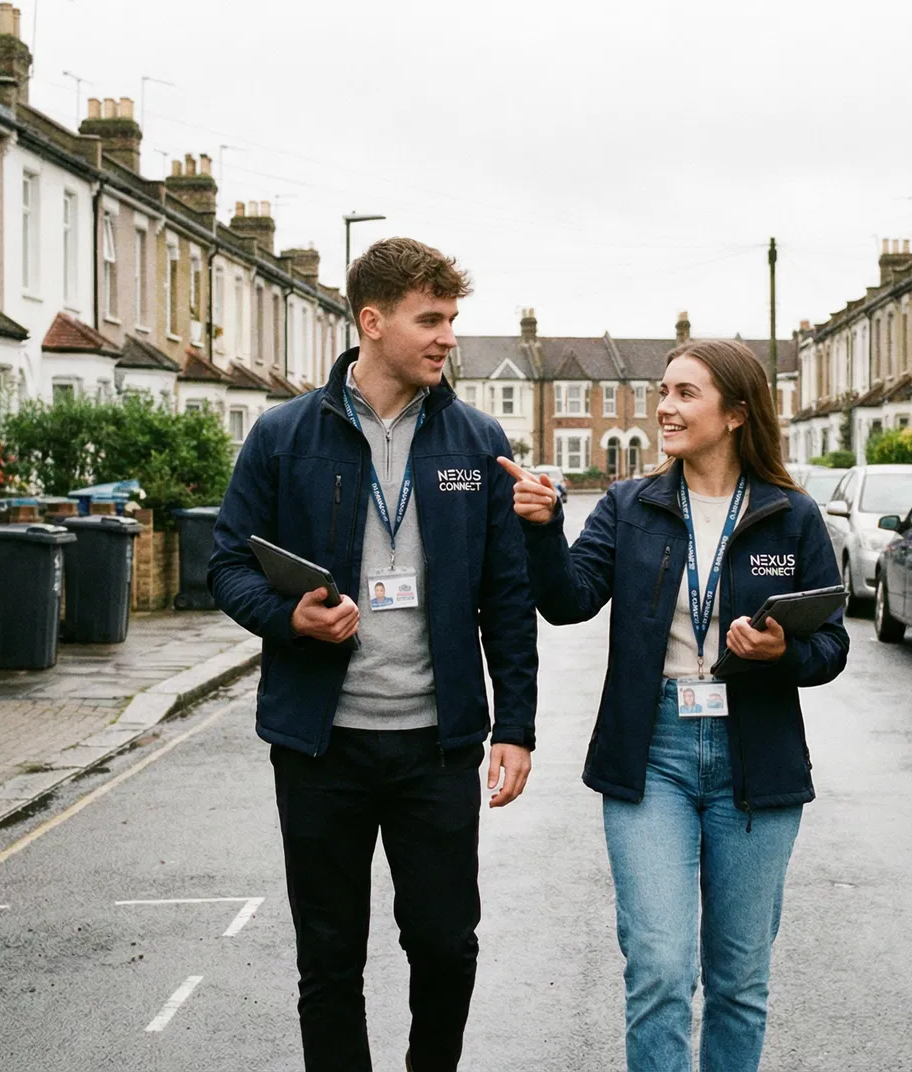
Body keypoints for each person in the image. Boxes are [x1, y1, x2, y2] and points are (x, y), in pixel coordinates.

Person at [210, 237, 538, 1072]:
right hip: (322, 745)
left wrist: (517, 726)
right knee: (328, 959)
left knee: (444, 948)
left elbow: (506, 596)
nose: (448, 337)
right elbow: (225, 564)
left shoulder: (477, 441)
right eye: (431, 319)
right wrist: (291, 620)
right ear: (372, 321)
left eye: (452, 319)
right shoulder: (284, 435)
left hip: (437, 745)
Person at [500, 338, 847, 1071]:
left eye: (686, 393)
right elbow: (567, 601)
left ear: (736, 413)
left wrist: (784, 652)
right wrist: (540, 531)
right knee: (658, 969)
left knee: (740, 981)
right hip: (650, 751)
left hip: (757, 759)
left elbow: (832, 649)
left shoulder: (793, 517)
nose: (664, 406)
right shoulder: (632, 506)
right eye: (663, 391)